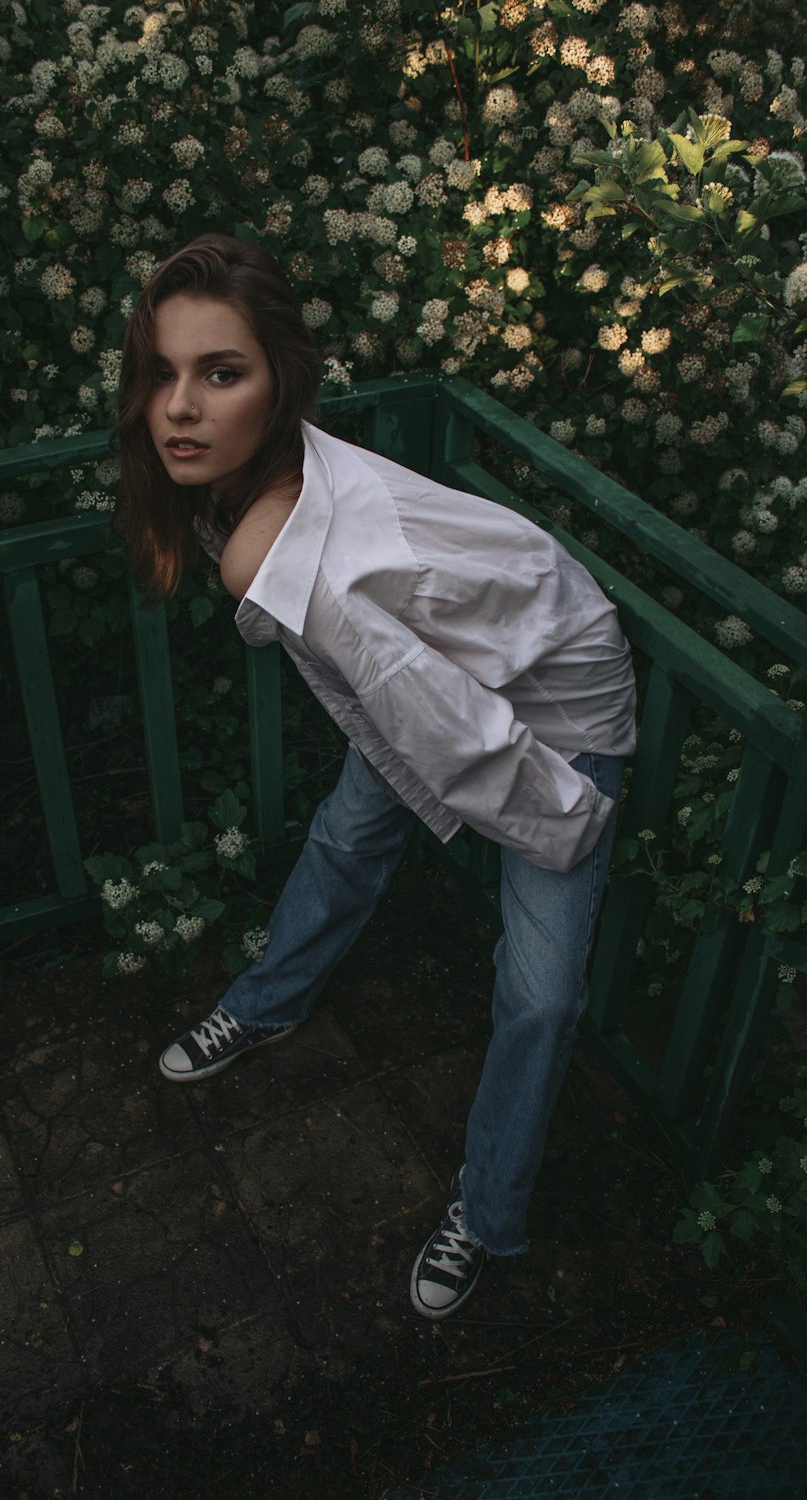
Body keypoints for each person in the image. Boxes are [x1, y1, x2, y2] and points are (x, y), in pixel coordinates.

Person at [116, 233, 637, 1320]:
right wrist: (395, 767)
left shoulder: (300, 553)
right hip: (452, 675)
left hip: (555, 704)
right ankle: (266, 1006)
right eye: (163, 373)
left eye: (220, 373)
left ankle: (487, 1214)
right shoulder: (252, 487)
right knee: (350, 832)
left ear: (281, 384)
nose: (179, 407)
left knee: (539, 995)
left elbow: (447, 733)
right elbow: (387, 701)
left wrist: (568, 822)